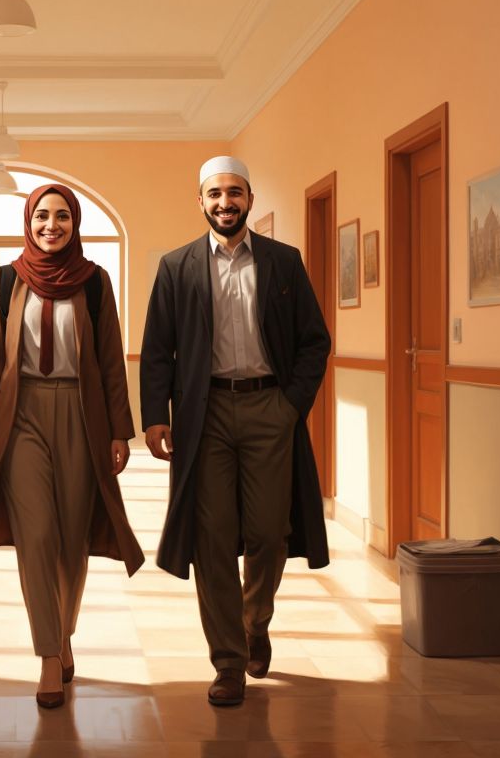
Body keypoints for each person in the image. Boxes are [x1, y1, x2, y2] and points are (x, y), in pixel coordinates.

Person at [139, 156, 331, 707]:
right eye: (215, 194)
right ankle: (227, 661)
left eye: (235, 193)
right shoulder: (177, 267)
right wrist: (157, 416)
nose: (226, 202)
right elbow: (157, 350)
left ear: (248, 199)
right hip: (206, 416)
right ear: (200, 202)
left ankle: (255, 621)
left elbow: (314, 341)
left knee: (270, 532)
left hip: (271, 409)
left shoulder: (283, 263)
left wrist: (292, 405)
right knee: (214, 538)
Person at [0, 184, 144, 709]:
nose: (50, 225)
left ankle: (63, 633)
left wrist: (119, 431)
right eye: (41, 216)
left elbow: (109, 363)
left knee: (72, 538)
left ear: (75, 223)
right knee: (36, 534)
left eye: (61, 216)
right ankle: (48, 657)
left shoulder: (96, 283)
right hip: (23, 415)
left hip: (83, 416)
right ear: (28, 221)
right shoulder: (8, 279)